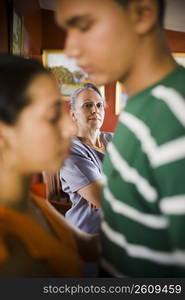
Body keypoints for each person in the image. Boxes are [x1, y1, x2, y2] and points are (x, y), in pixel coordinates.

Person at [55, 0, 185, 277]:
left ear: (142, 14)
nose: (71, 49)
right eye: (88, 106)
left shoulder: (174, 112)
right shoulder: (137, 118)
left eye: (85, 26)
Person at [0, 54, 82, 277]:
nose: (71, 129)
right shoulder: (10, 255)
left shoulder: (29, 200)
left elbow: (85, 246)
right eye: (53, 116)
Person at [60, 83, 112, 234]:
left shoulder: (115, 139)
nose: (95, 110)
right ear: (73, 114)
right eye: (87, 105)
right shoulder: (69, 151)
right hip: (88, 234)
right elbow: (104, 200)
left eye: (99, 105)